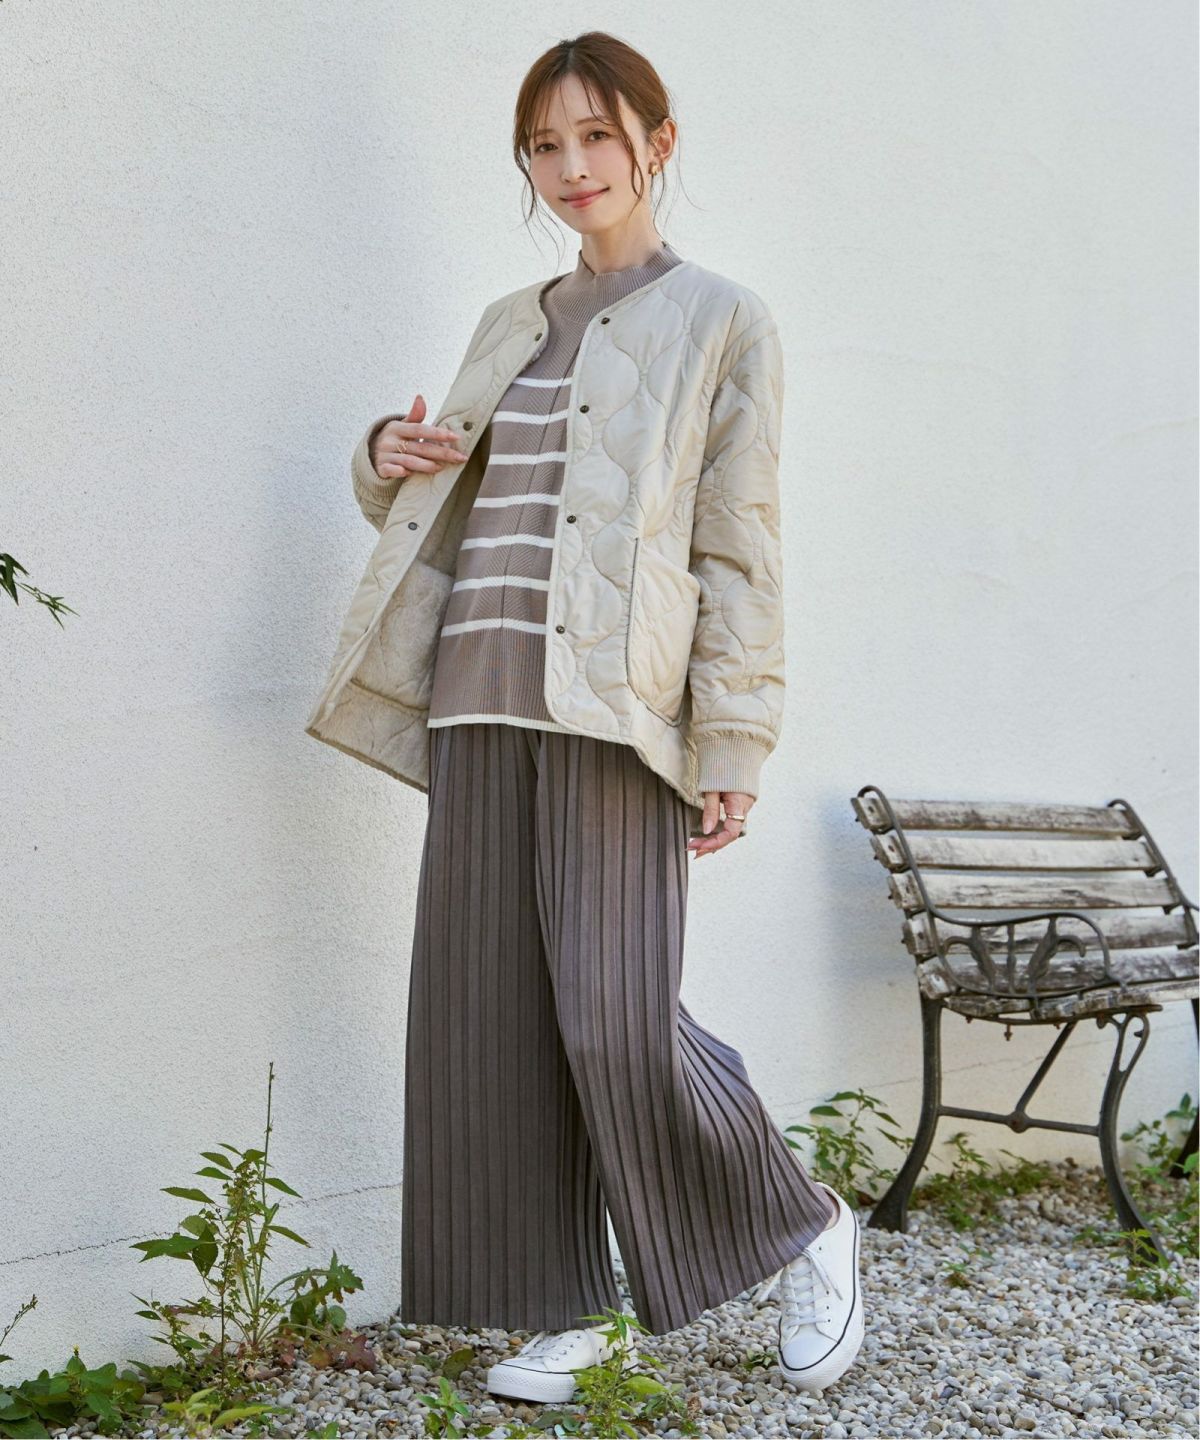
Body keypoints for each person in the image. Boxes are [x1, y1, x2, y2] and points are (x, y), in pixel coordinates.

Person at [306, 29, 864, 1405]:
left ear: (656, 144)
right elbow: (454, 496)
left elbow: (740, 551)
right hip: (476, 697)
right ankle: (570, 1308)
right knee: (493, 1017)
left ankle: (804, 1223)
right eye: (544, 146)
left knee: (616, 1018)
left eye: (596, 136)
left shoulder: (724, 319)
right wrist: (383, 457)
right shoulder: (512, 319)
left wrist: (731, 741)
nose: (570, 166)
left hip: (617, 716)